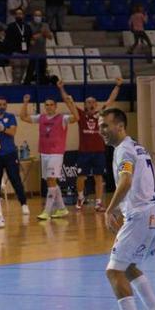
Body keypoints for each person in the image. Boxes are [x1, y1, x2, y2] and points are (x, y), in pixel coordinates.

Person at [100, 107, 155, 310]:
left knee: (113, 271)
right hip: (154, 214)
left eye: (105, 126)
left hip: (140, 217)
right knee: (128, 265)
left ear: (119, 126)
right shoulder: (137, 146)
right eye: (100, 126)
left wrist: (110, 209)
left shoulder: (124, 150)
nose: (102, 131)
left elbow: (127, 180)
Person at [60, 77, 123, 210]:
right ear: (85, 105)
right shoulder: (81, 115)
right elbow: (68, 103)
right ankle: (81, 196)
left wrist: (117, 86)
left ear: (96, 104)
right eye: (88, 102)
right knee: (81, 177)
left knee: (98, 177)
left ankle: (99, 202)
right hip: (84, 152)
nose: (91, 104)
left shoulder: (101, 114)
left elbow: (110, 100)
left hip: (98, 151)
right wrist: (61, 88)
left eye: (93, 102)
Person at [19, 93, 73, 220]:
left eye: (51, 105)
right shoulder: (41, 118)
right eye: (46, 105)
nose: (48, 107)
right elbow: (23, 117)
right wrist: (25, 102)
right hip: (44, 152)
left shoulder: (62, 118)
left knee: (51, 180)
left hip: (56, 153)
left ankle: (47, 211)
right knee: (51, 181)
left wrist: (70, 103)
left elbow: (76, 117)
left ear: (56, 106)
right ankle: (62, 209)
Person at [0, 96, 29, 215]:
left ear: (6, 106)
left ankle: (24, 204)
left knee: (16, 179)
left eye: (3, 104)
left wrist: (3, 129)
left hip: (10, 154)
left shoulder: (10, 117)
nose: (1, 107)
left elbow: (12, 132)